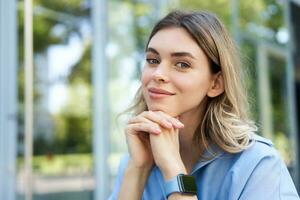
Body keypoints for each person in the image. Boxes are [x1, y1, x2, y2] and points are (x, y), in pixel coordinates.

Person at [108, 10, 300, 200]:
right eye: (152, 60)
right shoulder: (135, 160)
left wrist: (174, 169)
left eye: (182, 64)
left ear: (216, 84)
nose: (158, 73)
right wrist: (137, 169)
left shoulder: (258, 165)